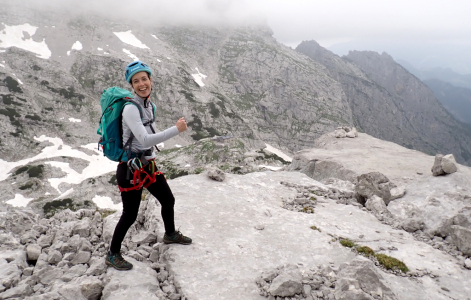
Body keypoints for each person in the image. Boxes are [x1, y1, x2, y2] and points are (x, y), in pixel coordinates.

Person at [105, 61, 192, 271]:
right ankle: (112, 254)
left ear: (151, 80)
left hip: (147, 165)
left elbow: (148, 136)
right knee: (130, 215)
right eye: (136, 81)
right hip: (130, 169)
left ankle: (170, 234)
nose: (141, 84)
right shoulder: (129, 109)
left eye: (144, 79)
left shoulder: (150, 106)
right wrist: (176, 129)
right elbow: (144, 140)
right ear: (132, 86)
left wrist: (152, 155)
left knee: (168, 199)